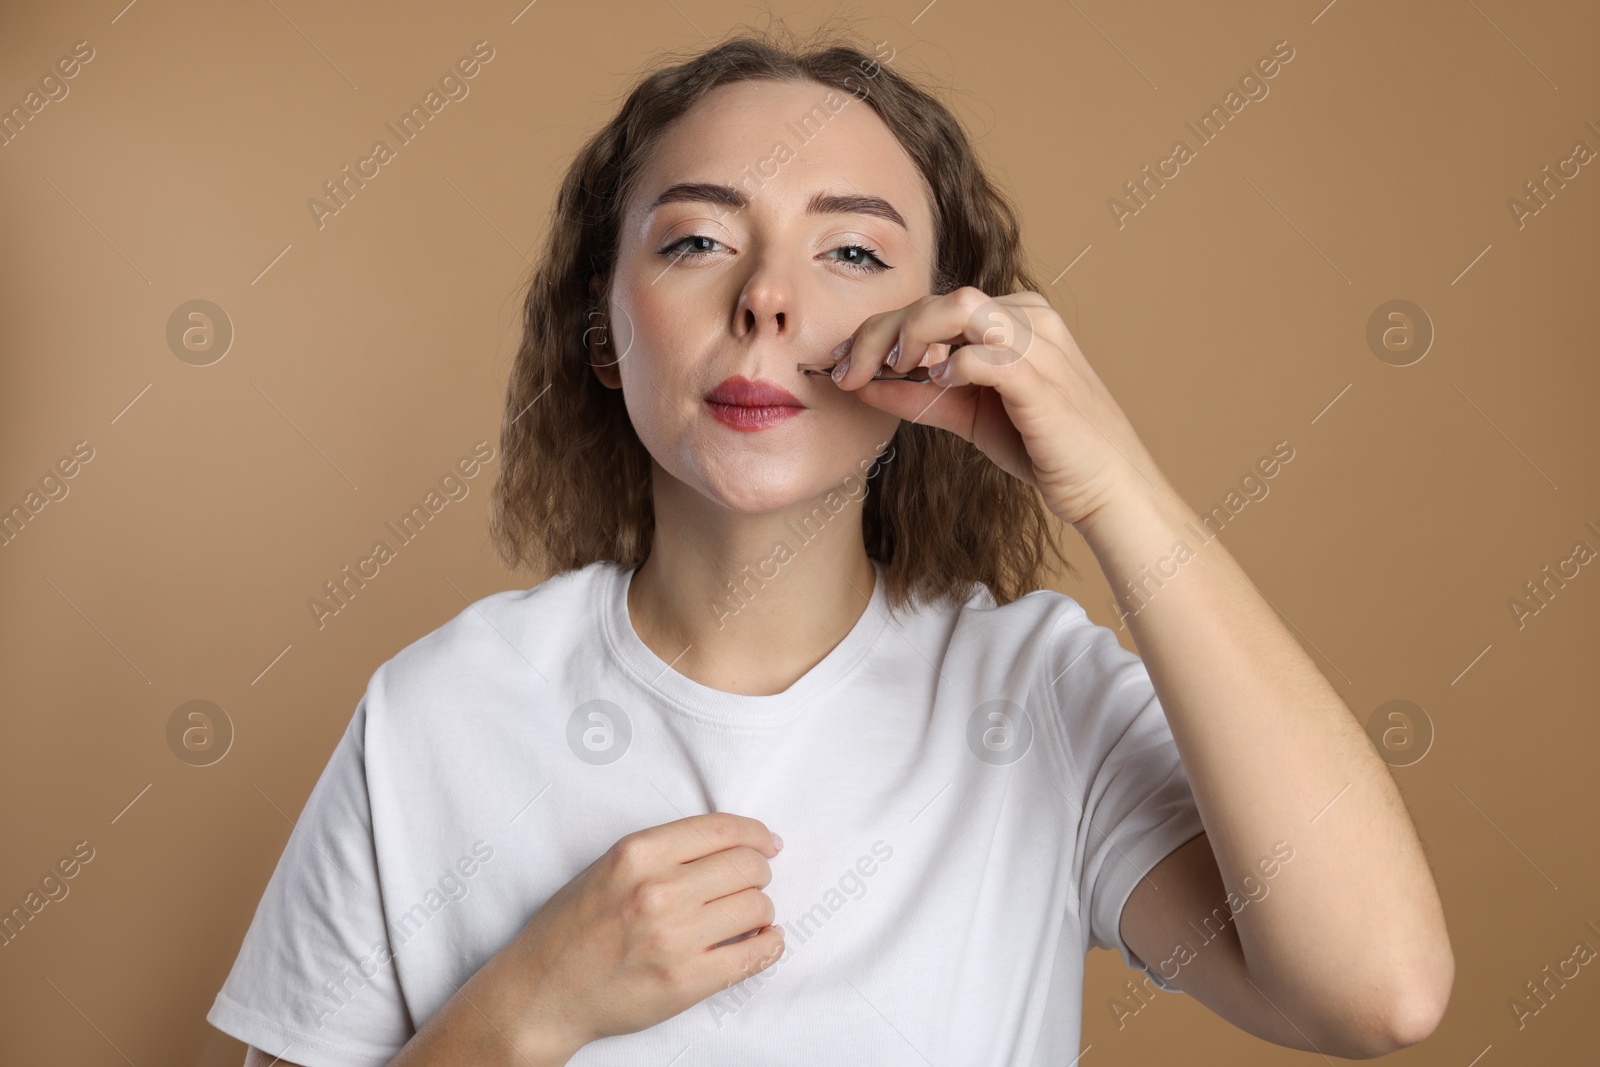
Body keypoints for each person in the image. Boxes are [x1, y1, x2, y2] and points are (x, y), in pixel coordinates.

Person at [207, 23, 1453, 1067]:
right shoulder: (432, 715)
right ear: (603, 331)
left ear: (944, 327)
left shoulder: (1035, 699)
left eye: (851, 249)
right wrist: (522, 1008)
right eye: (696, 239)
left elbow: (1379, 991)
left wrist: (1117, 485)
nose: (767, 295)